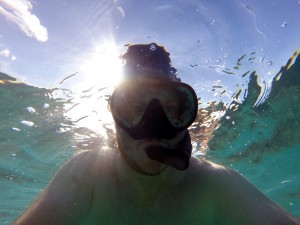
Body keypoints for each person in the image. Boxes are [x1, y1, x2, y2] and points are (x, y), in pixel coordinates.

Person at [13, 43, 299, 225]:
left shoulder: (211, 181)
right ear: (113, 115)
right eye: (133, 107)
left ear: (187, 119)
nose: (152, 125)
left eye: (172, 109)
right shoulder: (89, 172)